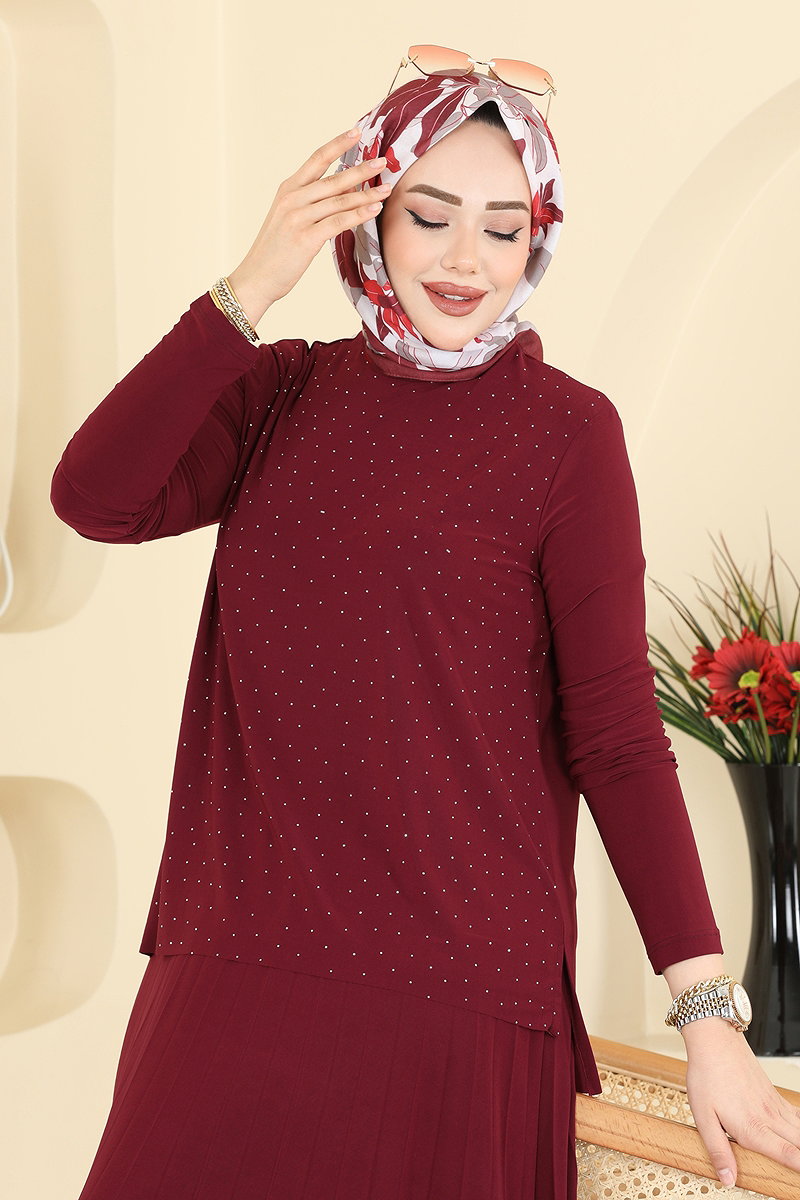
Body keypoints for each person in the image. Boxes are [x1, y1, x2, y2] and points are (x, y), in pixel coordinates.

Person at [51, 60, 800, 1200]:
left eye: (503, 229)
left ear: (536, 239)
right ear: (369, 213)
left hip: (458, 995)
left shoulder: (565, 435)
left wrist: (709, 1022)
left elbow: (614, 737)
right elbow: (95, 498)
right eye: (430, 215)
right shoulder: (277, 396)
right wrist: (253, 283)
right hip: (233, 956)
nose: (465, 261)